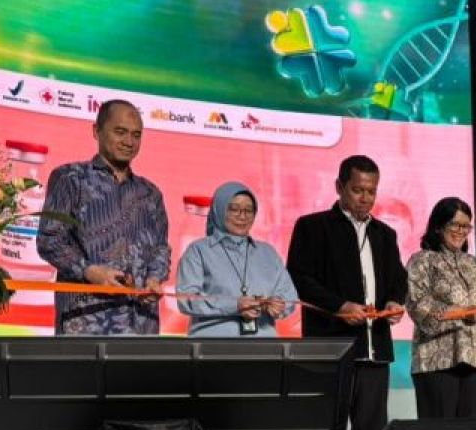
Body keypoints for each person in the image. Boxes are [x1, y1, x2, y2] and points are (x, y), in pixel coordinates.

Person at [286, 155, 407, 430]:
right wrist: (339, 306)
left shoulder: (385, 233)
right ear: (339, 187)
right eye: (357, 190)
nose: (365, 198)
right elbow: (299, 277)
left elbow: (398, 278)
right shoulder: (312, 227)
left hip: (375, 353)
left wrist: (395, 302)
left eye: (371, 191)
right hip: (331, 351)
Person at [37, 99, 170, 335]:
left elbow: (161, 248)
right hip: (85, 322)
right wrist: (90, 271)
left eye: (136, 135)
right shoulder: (71, 179)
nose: (129, 142)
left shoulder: (151, 193)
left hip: (141, 324)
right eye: (120, 132)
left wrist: (154, 279)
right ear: (96, 131)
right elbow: (50, 240)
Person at [405, 197, 476, 419]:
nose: (461, 231)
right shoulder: (422, 261)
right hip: (436, 361)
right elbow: (418, 305)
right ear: (438, 226)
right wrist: (464, 312)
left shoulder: (474, 263)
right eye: (455, 225)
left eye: (466, 226)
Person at [175, 181, 297, 336]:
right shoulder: (198, 251)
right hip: (213, 344)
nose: (242, 216)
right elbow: (186, 299)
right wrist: (235, 305)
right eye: (234, 209)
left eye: (248, 210)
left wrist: (278, 305)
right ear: (219, 210)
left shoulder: (268, 253)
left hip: (263, 344)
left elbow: (289, 297)